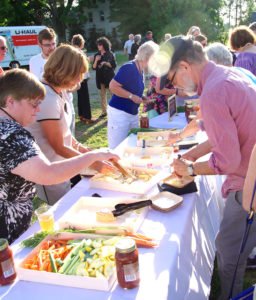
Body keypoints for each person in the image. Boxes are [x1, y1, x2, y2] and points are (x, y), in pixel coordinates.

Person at [152, 35, 256, 299]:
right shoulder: (229, 74)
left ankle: (229, 296)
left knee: (229, 250)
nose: (177, 87)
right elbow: (224, 134)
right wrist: (190, 158)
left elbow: (228, 160)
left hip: (249, 183)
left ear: (185, 66)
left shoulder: (213, 92)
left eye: (173, 79)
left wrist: (191, 170)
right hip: (249, 172)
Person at [0, 68, 119, 244]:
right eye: (33, 104)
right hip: (7, 233)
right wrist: (93, 156)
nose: (38, 110)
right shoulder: (11, 135)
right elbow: (48, 174)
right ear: (10, 101)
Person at [28, 44, 114, 205]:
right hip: (51, 166)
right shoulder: (47, 97)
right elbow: (59, 146)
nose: (81, 78)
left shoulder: (59, 91)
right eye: (79, 74)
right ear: (65, 71)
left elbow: (68, 137)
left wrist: (89, 152)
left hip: (63, 163)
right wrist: (93, 161)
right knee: (64, 209)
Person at [107, 41, 159, 149]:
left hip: (132, 113)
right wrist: (131, 96)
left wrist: (142, 97)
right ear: (147, 57)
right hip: (119, 114)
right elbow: (112, 86)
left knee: (134, 144)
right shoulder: (129, 67)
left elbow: (133, 88)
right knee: (117, 147)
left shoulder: (141, 69)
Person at [71, 34, 95, 125]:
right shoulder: (79, 51)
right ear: (81, 42)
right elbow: (82, 62)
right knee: (85, 97)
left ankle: (81, 115)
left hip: (77, 77)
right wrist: (90, 59)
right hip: (82, 77)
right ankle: (87, 117)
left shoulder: (73, 51)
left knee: (80, 97)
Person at [92, 37, 116, 118]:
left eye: (100, 44)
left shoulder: (110, 54)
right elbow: (94, 67)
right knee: (102, 95)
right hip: (100, 77)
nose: (98, 46)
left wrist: (105, 63)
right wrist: (96, 60)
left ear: (104, 45)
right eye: (98, 45)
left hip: (109, 77)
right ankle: (104, 111)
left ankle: (114, 110)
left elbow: (113, 66)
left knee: (112, 94)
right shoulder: (97, 54)